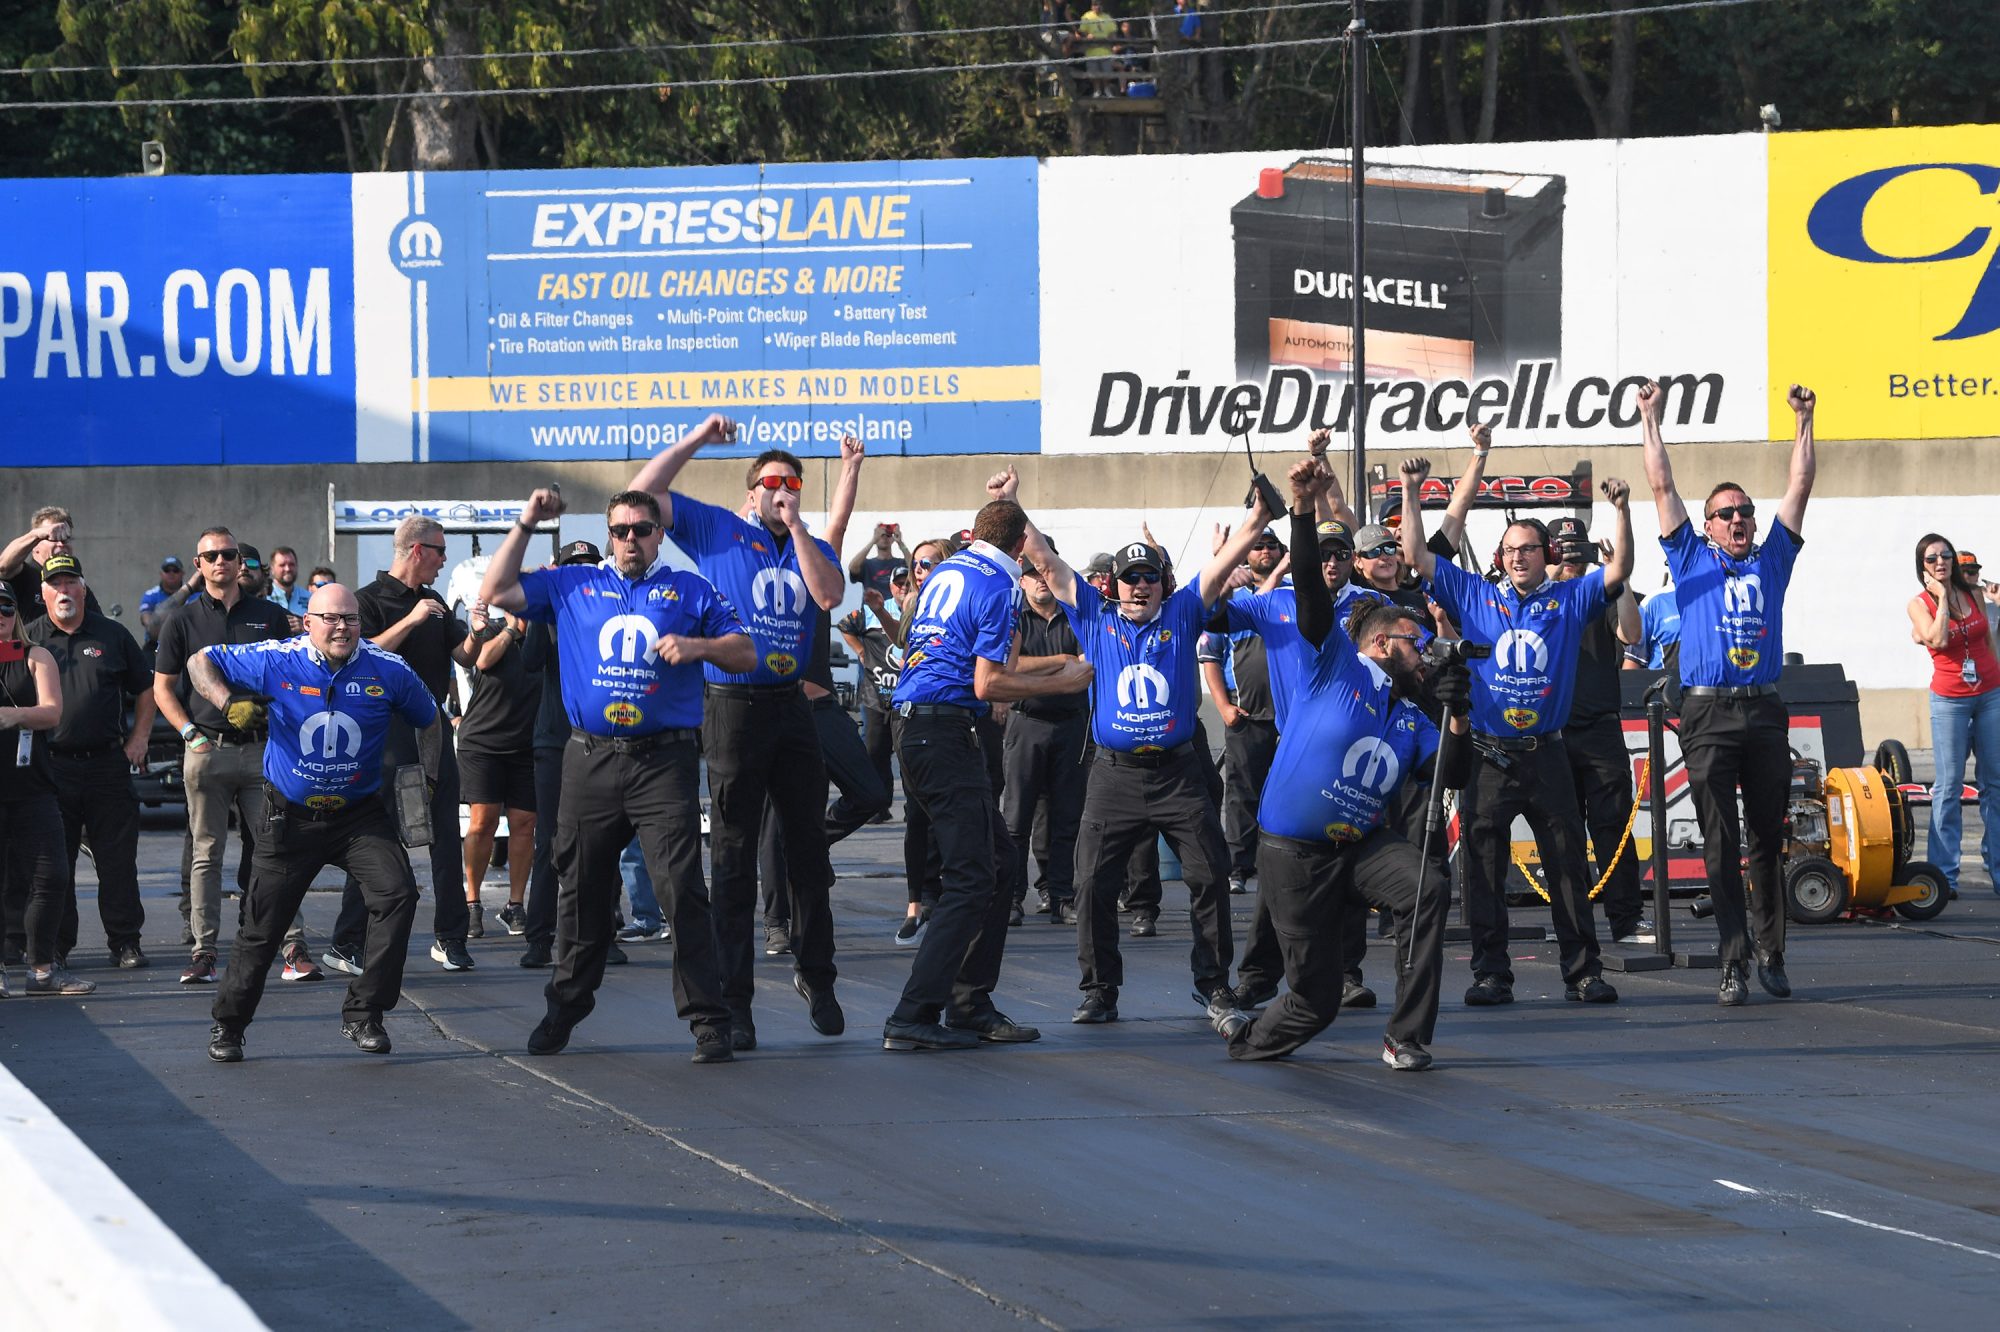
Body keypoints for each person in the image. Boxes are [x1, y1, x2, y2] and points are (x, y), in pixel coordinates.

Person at [482, 485, 751, 1062]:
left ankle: (708, 1017)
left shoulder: (690, 589)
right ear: (610, 535)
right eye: (621, 530)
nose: (631, 539)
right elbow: (496, 590)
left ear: (659, 534)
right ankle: (567, 1007)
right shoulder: (572, 583)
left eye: (642, 529)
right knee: (579, 892)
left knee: (681, 889)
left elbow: (745, 652)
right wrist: (527, 519)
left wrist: (700, 646)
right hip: (590, 758)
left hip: (663, 761)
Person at [1218, 458, 1470, 1067]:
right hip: (1293, 855)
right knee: (1315, 1001)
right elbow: (1307, 586)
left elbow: (1454, 778)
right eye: (1417, 643)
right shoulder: (1334, 662)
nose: (1428, 656)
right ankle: (1244, 1036)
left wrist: (1458, 715)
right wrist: (1302, 510)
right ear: (1382, 643)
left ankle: (1405, 1037)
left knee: (1427, 887)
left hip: (1359, 847)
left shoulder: (1416, 711)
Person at [627, 418, 848, 1050]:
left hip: (791, 707)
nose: (784, 494)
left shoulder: (808, 542)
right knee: (731, 857)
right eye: (772, 486)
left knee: (808, 850)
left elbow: (828, 595)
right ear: (751, 493)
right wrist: (695, 439)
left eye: (793, 486)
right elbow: (644, 495)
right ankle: (736, 1000)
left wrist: (800, 525)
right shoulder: (719, 530)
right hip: (731, 707)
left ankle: (818, 976)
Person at [1026, 477, 1272, 1028]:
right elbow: (1043, 560)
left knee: (1210, 876)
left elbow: (1223, 564)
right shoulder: (1094, 617)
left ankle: (1213, 985)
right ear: (1114, 586)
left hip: (1179, 774)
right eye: (1130, 578)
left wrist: (1257, 519)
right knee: (1091, 884)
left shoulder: (1184, 613)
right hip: (1113, 777)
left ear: (1164, 584)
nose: (1141, 587)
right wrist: (1010, 501)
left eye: (1150, 577)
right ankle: (1099, 990)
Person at [1400, 451, 1632, 1008]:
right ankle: (1491, 975)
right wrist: (1411, 489)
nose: (1520, 557)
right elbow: (1414, 556)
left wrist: (1621, 511)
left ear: (1545, 554)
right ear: (1500, 558)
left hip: (1548, 754)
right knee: (1481, 871)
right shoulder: (1475, 594)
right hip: (1486, 754)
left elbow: (1619, 572)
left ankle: (1583, 972)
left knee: (1568, 866)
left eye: (1530, 548)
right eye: (1511, 550)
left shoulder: (1569, 597)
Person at [884, 475, 1093, 1050]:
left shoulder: (948, 569)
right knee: (974, 876)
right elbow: (989, 681)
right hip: (944, 731)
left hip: (920, 726)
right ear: (1023, 544)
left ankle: (969, 999)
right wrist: (1063, 677)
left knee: (1000, 863)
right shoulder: (1000, 586)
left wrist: (1054, 666)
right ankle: (914, 1011)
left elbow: (979, 659)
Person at [196, 583, 441, 1061]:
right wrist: (227, 702)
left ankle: (364, 1013)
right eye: (329, 618)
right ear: (307, 623)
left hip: (358, 817)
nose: (341, 628)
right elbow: (200, 659)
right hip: (290, 819)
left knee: (398, 894)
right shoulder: (276, 658)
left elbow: (429, 718)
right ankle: (228, 1026)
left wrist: (427, 780)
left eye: (349, 619)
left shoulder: (387, 668)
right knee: (262, 928)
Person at [1641, 380, 1817, 1005]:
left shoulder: (1772, 561)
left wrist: (1804, 420)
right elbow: (1662, 485)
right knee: (1719, 842)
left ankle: (1772, 952)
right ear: (1709, 525)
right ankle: (1732, 959)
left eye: (1745, 511)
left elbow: (1799, 488)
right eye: (1727, 514)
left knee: (1767, 836)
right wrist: (1651, 417)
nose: (1740, 519)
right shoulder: (1690, 558)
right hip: (1708, 709)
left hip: (1764, 707)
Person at [324, 516, 479, 974]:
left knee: (447, 836)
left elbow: (465, 656)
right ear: (416, 550)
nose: (444, 559)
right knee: (383, 836)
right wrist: (411, 620)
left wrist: (479, 628)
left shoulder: (434, 601)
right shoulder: (366, 602)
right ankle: (346, 941)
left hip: (433, 730)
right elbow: (362, 653)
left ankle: (451, 937)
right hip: (386, 733)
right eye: (439, 550)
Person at [153, 526, 301, 985]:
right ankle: (204, 951)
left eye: (229, 554)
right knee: (206, 855)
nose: (221, 561)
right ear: (198, 565)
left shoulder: (271, 616)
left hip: (262, 754)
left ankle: (293, 946)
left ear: (241, 562)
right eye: (211, 555)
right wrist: (189, 734)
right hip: (208, 752)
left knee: (276, 849)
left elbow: (292, 678)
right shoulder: (182, 620)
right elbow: (161, 689)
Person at [25, 555, 155, 970]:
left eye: (70, 582)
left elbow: (147, 690)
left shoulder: (113, 635)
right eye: (55, 584)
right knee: (54, 865)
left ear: (83, 588)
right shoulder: (29, 639)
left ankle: (125, 942)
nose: (64, 591)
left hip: (106, 765)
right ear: (43, 593)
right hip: (50, 767)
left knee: (117, 860)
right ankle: (57, 946)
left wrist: (139, 738)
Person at [1546, 517, 1651, 945]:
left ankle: (1626, 919)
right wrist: (1553, 571)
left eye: (1577, 550)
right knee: (1561, 832)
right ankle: (1569, 922)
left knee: (1612, 826)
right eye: (1563, 550)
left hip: (1599, 728)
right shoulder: (1537, 596)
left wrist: (1619, 575)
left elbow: (1632, 632)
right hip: (1551, 731)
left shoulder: (1602, 592)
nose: (1572, 559)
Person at [513, 539, 602, 967]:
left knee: (603, 842)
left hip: (603, 741)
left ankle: (603, 931)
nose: (582, 571)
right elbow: (529, 663)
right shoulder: (549, 612)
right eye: (573, 566)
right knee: (550, 839)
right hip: (554, 741)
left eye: (589, 565)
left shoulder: (612, 608)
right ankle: (538, 937)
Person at [0, 583, 90, 997]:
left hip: (33, 785)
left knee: (51, 875)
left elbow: (52, 712)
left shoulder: (35, 655)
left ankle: (41, 968)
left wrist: (10, 716)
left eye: (5, 607)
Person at [1000, 547, 1090, 928]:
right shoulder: (1012, 618)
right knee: (1016, 819)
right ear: (1021, 580)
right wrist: (1061, 663)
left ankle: (1061, 895)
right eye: (1032, 574)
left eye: (1044, 573)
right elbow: (1009, 666)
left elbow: (1089, 665)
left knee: (1067, 817)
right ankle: (1012, 897)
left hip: (1071, 726)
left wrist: (1054, 673)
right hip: (1027, 723)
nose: (1040, 580)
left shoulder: (1076, 616)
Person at [1907, 533, 2000, 898]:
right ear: (1923, 568)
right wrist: (1943, 597)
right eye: (1932, 559)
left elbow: (1988, 642)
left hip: (1990, 694)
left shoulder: (1975, 594)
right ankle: (1944, 878)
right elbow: (1939, 639)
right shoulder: (1919, 604)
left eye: (1946, 555)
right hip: (1950, 701)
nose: (1941, 561)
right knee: (1948, 788)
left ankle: (1997, 869)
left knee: (1994, 784)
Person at [1205, 525, 1286, 897]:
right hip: (1246, 715)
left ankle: (1279, 866)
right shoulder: (1231, 598)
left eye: (1271, 545)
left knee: (1284, 792)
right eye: (1257, 546)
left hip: (1288, 717)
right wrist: (1223, 706)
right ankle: (1238, 865)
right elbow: (1210, 655)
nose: (1264, 551)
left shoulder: (1292, 595)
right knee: (1242, 794)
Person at [458, 602, 542, 940]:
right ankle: (472, 901)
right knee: (483, 822)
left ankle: (515, 905)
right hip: (483, 743)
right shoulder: (492, 629)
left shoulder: (544, 638)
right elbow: (482, 660)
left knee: (525, 824)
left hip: (526, 746)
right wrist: (511, 628)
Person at [1, 506, 100, 626]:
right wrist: (36, 535)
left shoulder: (78, 583)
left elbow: (100, 627)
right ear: (35, 545)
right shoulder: (24, 575)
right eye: (52, 538)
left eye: (66, 539)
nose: (61, 544)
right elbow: (3, 567)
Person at [1624, 572, 1681, 673]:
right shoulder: (1654, 602)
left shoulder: (1716, 597)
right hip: (1665, 687)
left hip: (1708, 687)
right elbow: (1631, 667)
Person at [139, 555, 185, 649]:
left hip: (186, 643)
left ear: (182, 573)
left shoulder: (195, 594)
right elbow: (146, 620)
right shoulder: (150, 595)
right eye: (167, 570)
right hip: (155, 644)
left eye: (175, 570)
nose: (171, 573)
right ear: (161, 573)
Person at [268, 547, 312, 617]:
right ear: (272, 569)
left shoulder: (309, 597)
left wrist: (303, 626)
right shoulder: (264, 596)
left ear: (297, 566)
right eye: (282, 565)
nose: (287, 569)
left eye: (291, 564)